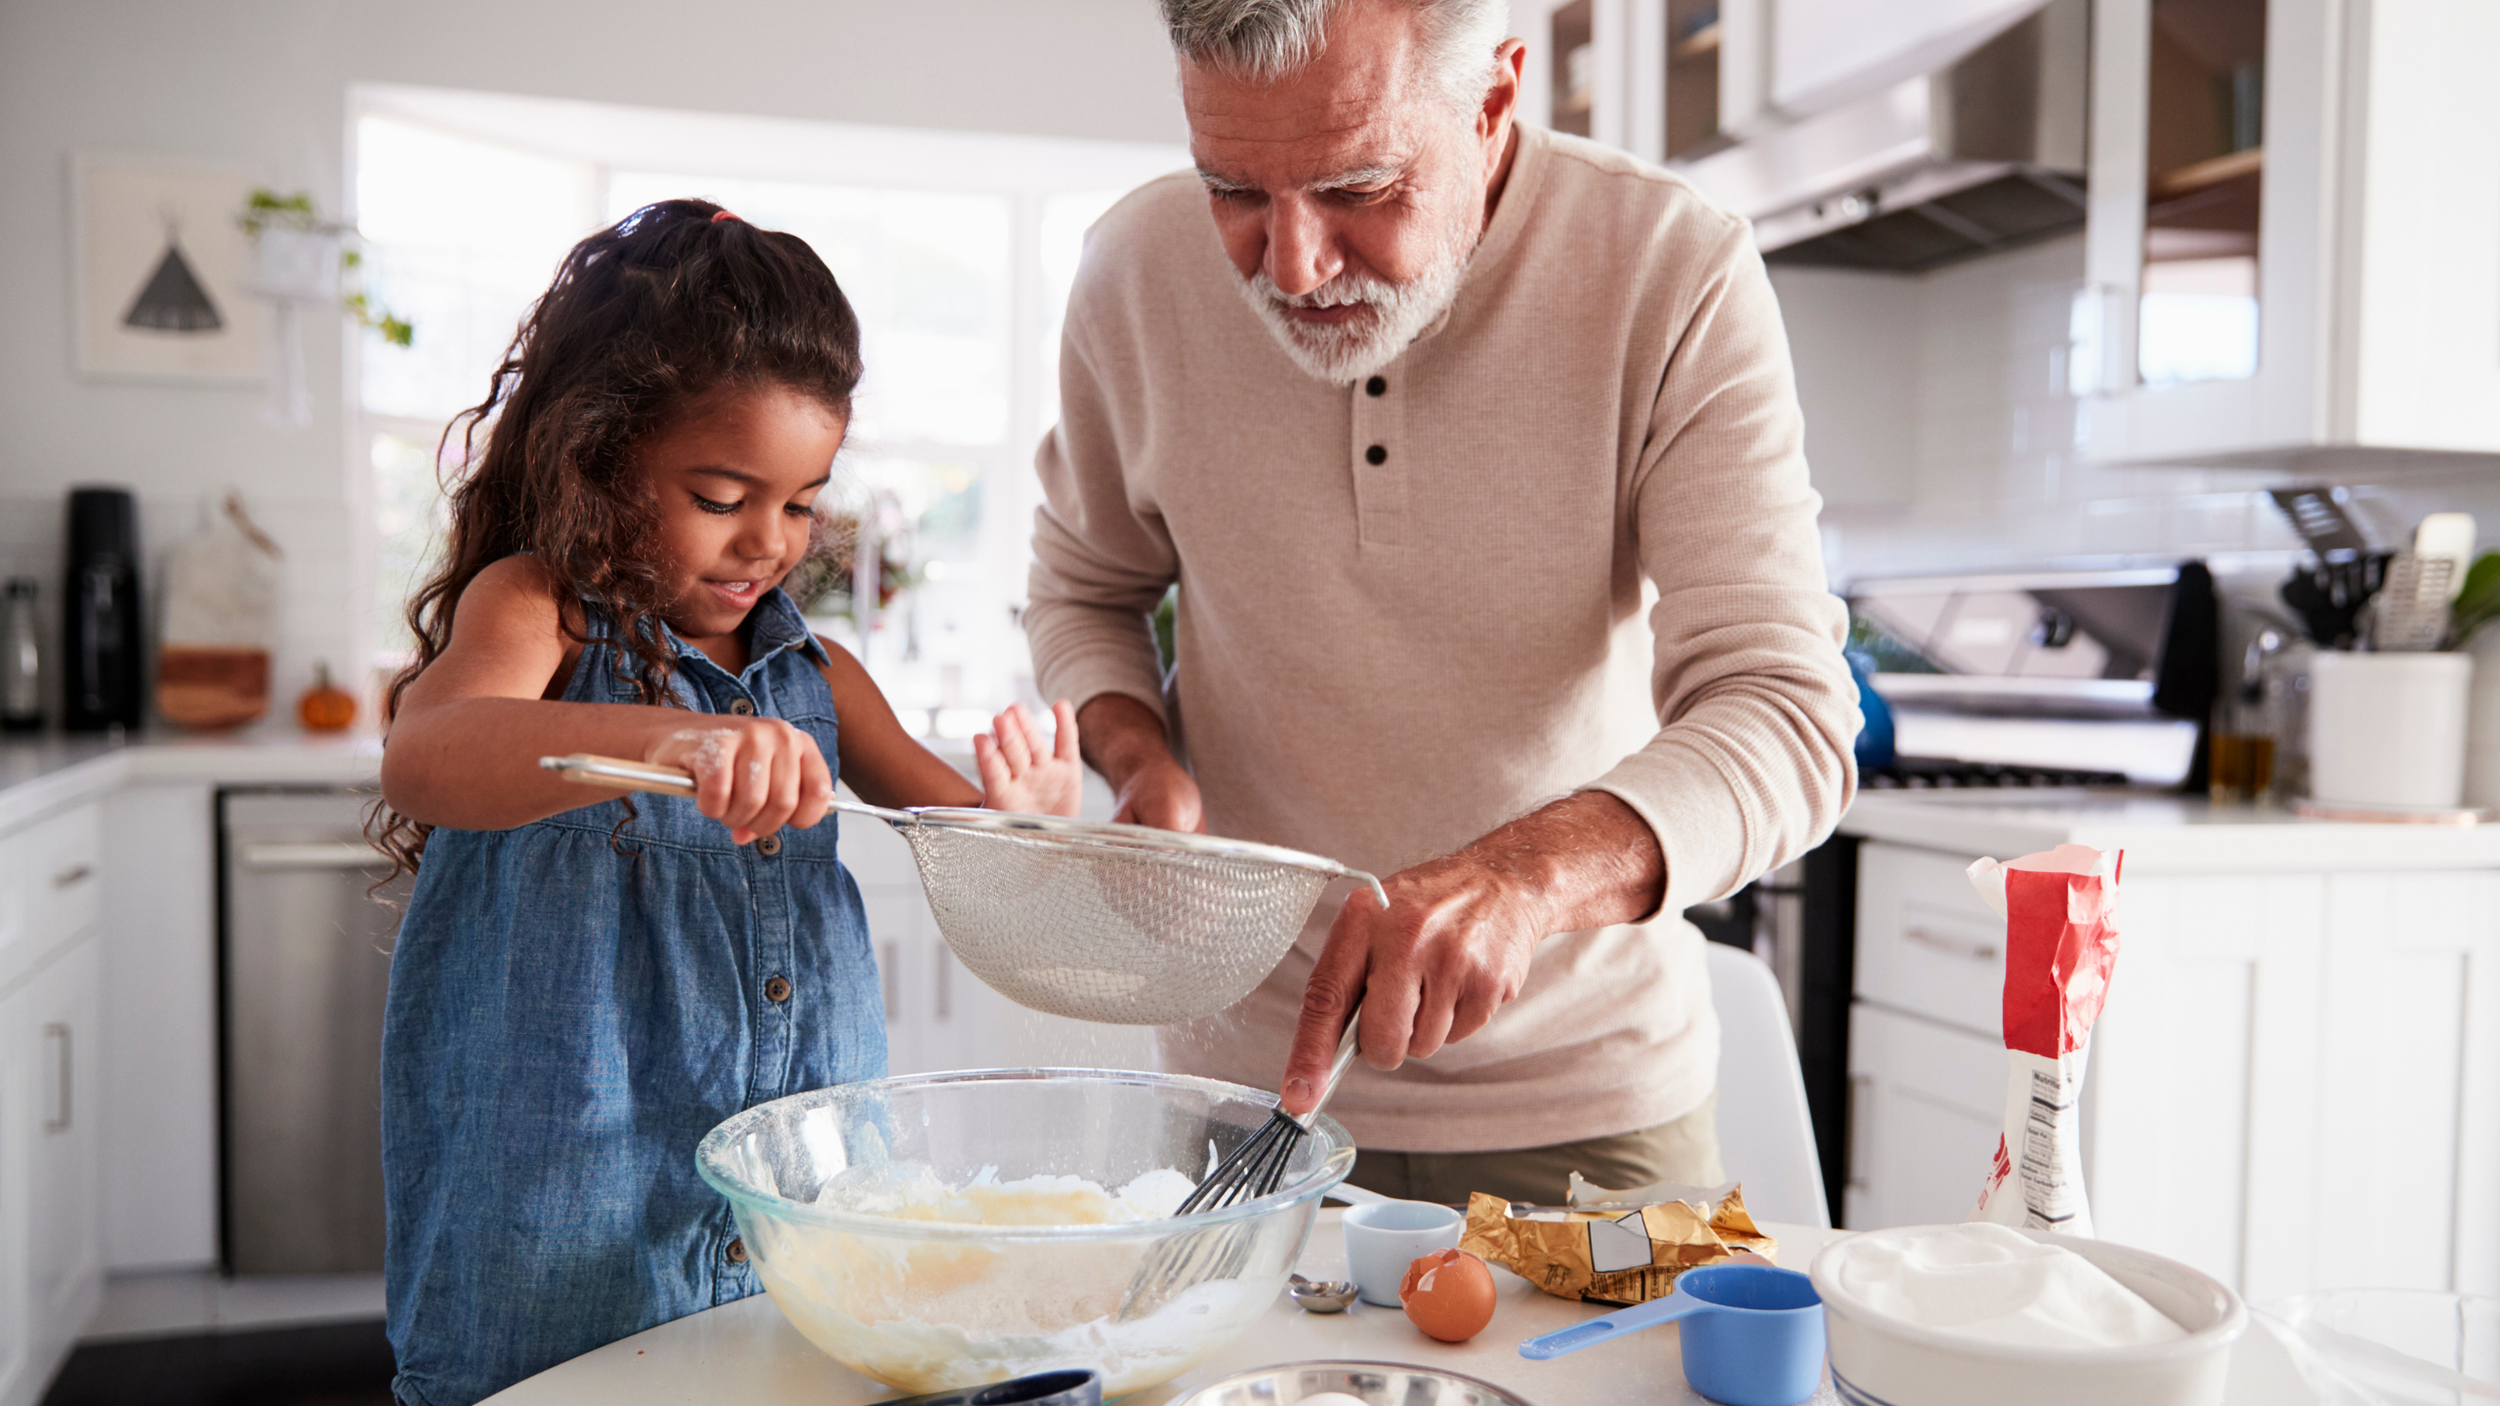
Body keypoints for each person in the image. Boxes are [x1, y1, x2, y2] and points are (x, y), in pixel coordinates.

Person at [1024, 0, 1859, 1204]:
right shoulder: (1132, 270)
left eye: (1357, 188)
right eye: (1235, 192)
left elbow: (1782, 708)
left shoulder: (1672, 270)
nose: (1293, 266)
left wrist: (1524, 879)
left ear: (1495, 99)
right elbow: (1079, 591)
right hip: (1245, 1092)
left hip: (1586, 1095)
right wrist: (1135, 754)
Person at [370, 200, 1083, 1406]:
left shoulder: (819, 672)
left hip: (800, 1216)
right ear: (601, 458)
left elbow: (969, 853)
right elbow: (429, 750)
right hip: (558, 1214)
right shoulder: (538, 607)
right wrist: (672, 733)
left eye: (799, 502)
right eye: (718, 495)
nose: (767, 540)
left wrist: (1030, 821)